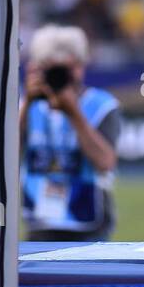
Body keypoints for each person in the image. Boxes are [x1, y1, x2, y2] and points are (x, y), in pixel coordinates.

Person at [20, 25, 121, 241]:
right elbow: (3, 154)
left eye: (65, 68)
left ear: (80, 66)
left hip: (88, 219)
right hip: (39, 219)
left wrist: (73, 112)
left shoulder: (101, 105)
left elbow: (105, 162)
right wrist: (28, 101)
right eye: (50, 69)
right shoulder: (27, 106)